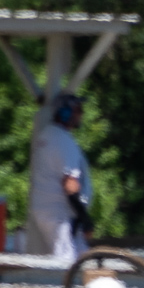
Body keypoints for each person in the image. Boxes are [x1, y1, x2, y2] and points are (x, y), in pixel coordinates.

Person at [29, 90, 92, 266]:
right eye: (78, 110)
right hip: (60, 214)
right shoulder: (63, 141)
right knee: (66, 262)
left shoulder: (47, 135)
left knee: (83, 260)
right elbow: (70, 185)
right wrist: (85, 218)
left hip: (50, 210)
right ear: (65, 113)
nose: (81, 114)